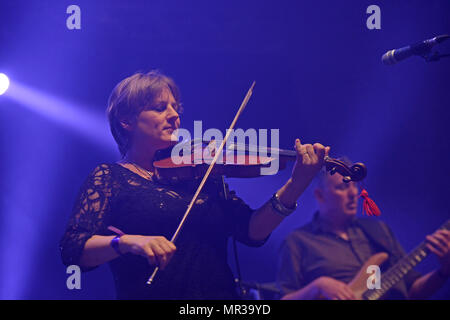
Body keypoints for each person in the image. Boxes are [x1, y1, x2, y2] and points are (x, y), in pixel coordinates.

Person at [59, 70, 330, 299]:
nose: (174, 115)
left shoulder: (202, 174)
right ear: (126, 120)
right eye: (159, 107)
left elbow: (251, 232)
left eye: (176, 108)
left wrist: (297, 183)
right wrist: (128, 242)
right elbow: (73, 249)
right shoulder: (109, 178)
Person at [276, 159, 450, 300]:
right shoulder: (298, 241)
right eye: (343, 186)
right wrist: (316, 287)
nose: (353, 193)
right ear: (320, 195)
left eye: (354, 185)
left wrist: (444, 271)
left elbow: (413, 291)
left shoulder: (378, 231)